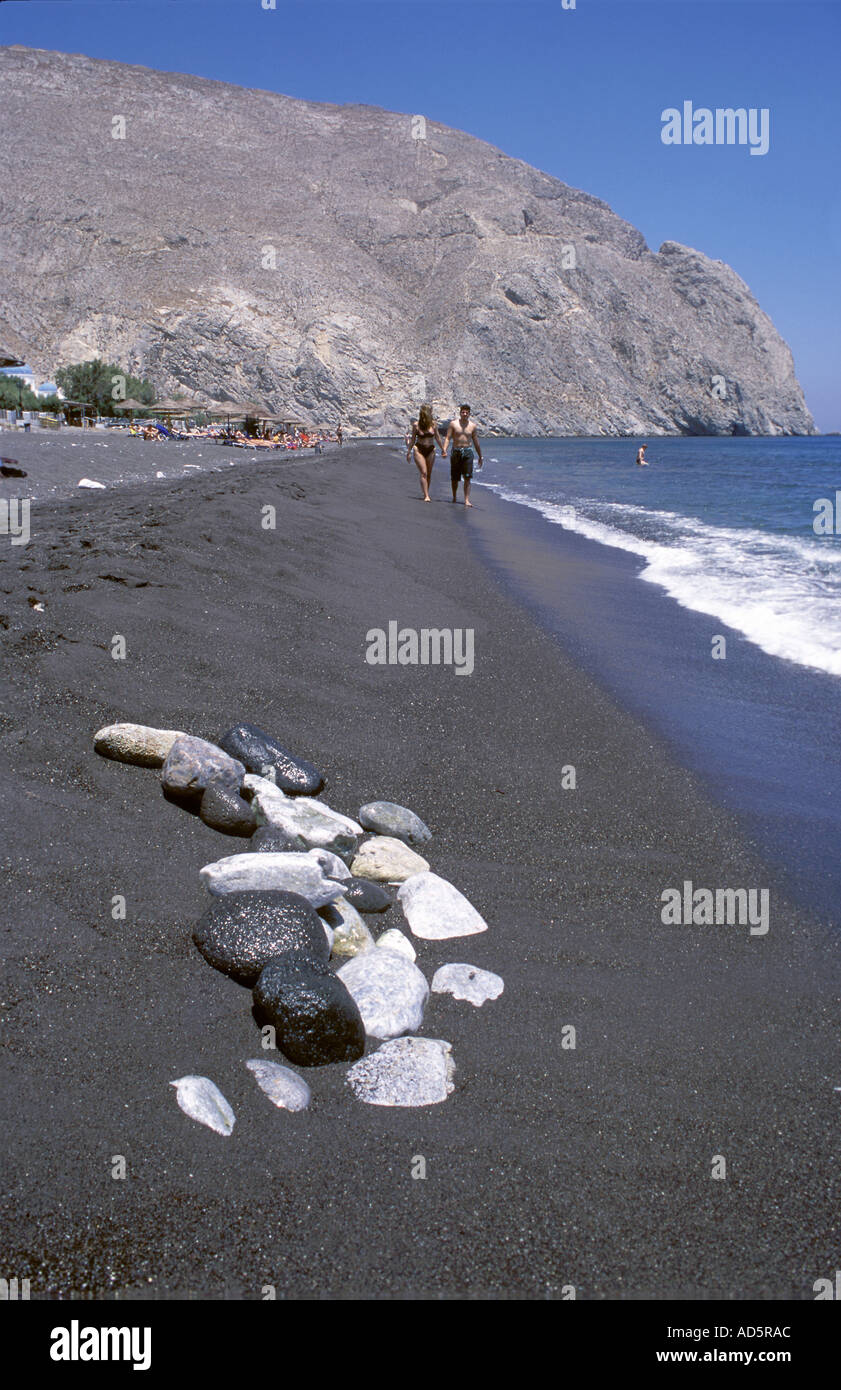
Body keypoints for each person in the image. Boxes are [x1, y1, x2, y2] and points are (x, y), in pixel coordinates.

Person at [443, 403, 483, 506]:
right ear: (460, 413)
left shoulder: (472, 426)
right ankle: (454, 496)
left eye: (466, 412)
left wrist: (480, 456)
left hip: (468, 452)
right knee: (455, 478)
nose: (464, 414)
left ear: (469, 414)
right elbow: (448, 437)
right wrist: (444, 450)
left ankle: (466, 500)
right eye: (463, 412)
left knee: (467, 477)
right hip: (456, 451)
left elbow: (476, 441)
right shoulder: (453, 424)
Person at [407, 402, 445, 503]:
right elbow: (412, 439)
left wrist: (443, 449)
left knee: (429, 473)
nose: (430, 413)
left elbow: (437, 437)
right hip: (419, 449)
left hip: (431, 450)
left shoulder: (433, 424)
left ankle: (426, 491)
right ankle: (426, 495)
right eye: (429, 411)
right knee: (424, 472)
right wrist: (409, 452)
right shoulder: (416, 425)